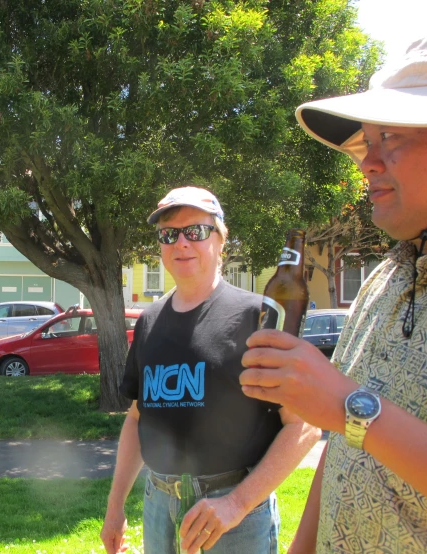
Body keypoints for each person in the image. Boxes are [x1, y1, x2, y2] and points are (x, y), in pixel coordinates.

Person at [240, 26, 427, 553]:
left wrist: (350, 406)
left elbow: (350, 417)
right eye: (367, 139)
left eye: (392, 135)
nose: (366, 161)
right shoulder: (383, 280)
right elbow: (344, 450)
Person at [100, 186, 320, 554]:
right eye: (169, 234)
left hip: (234, 515)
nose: (181, 243)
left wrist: (235, 505)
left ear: (221, 240)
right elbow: (138, 418)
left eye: (196, 231)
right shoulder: (149, 321)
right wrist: (115, 507)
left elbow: (304, 426)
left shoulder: (257, 316)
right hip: (158, 506)